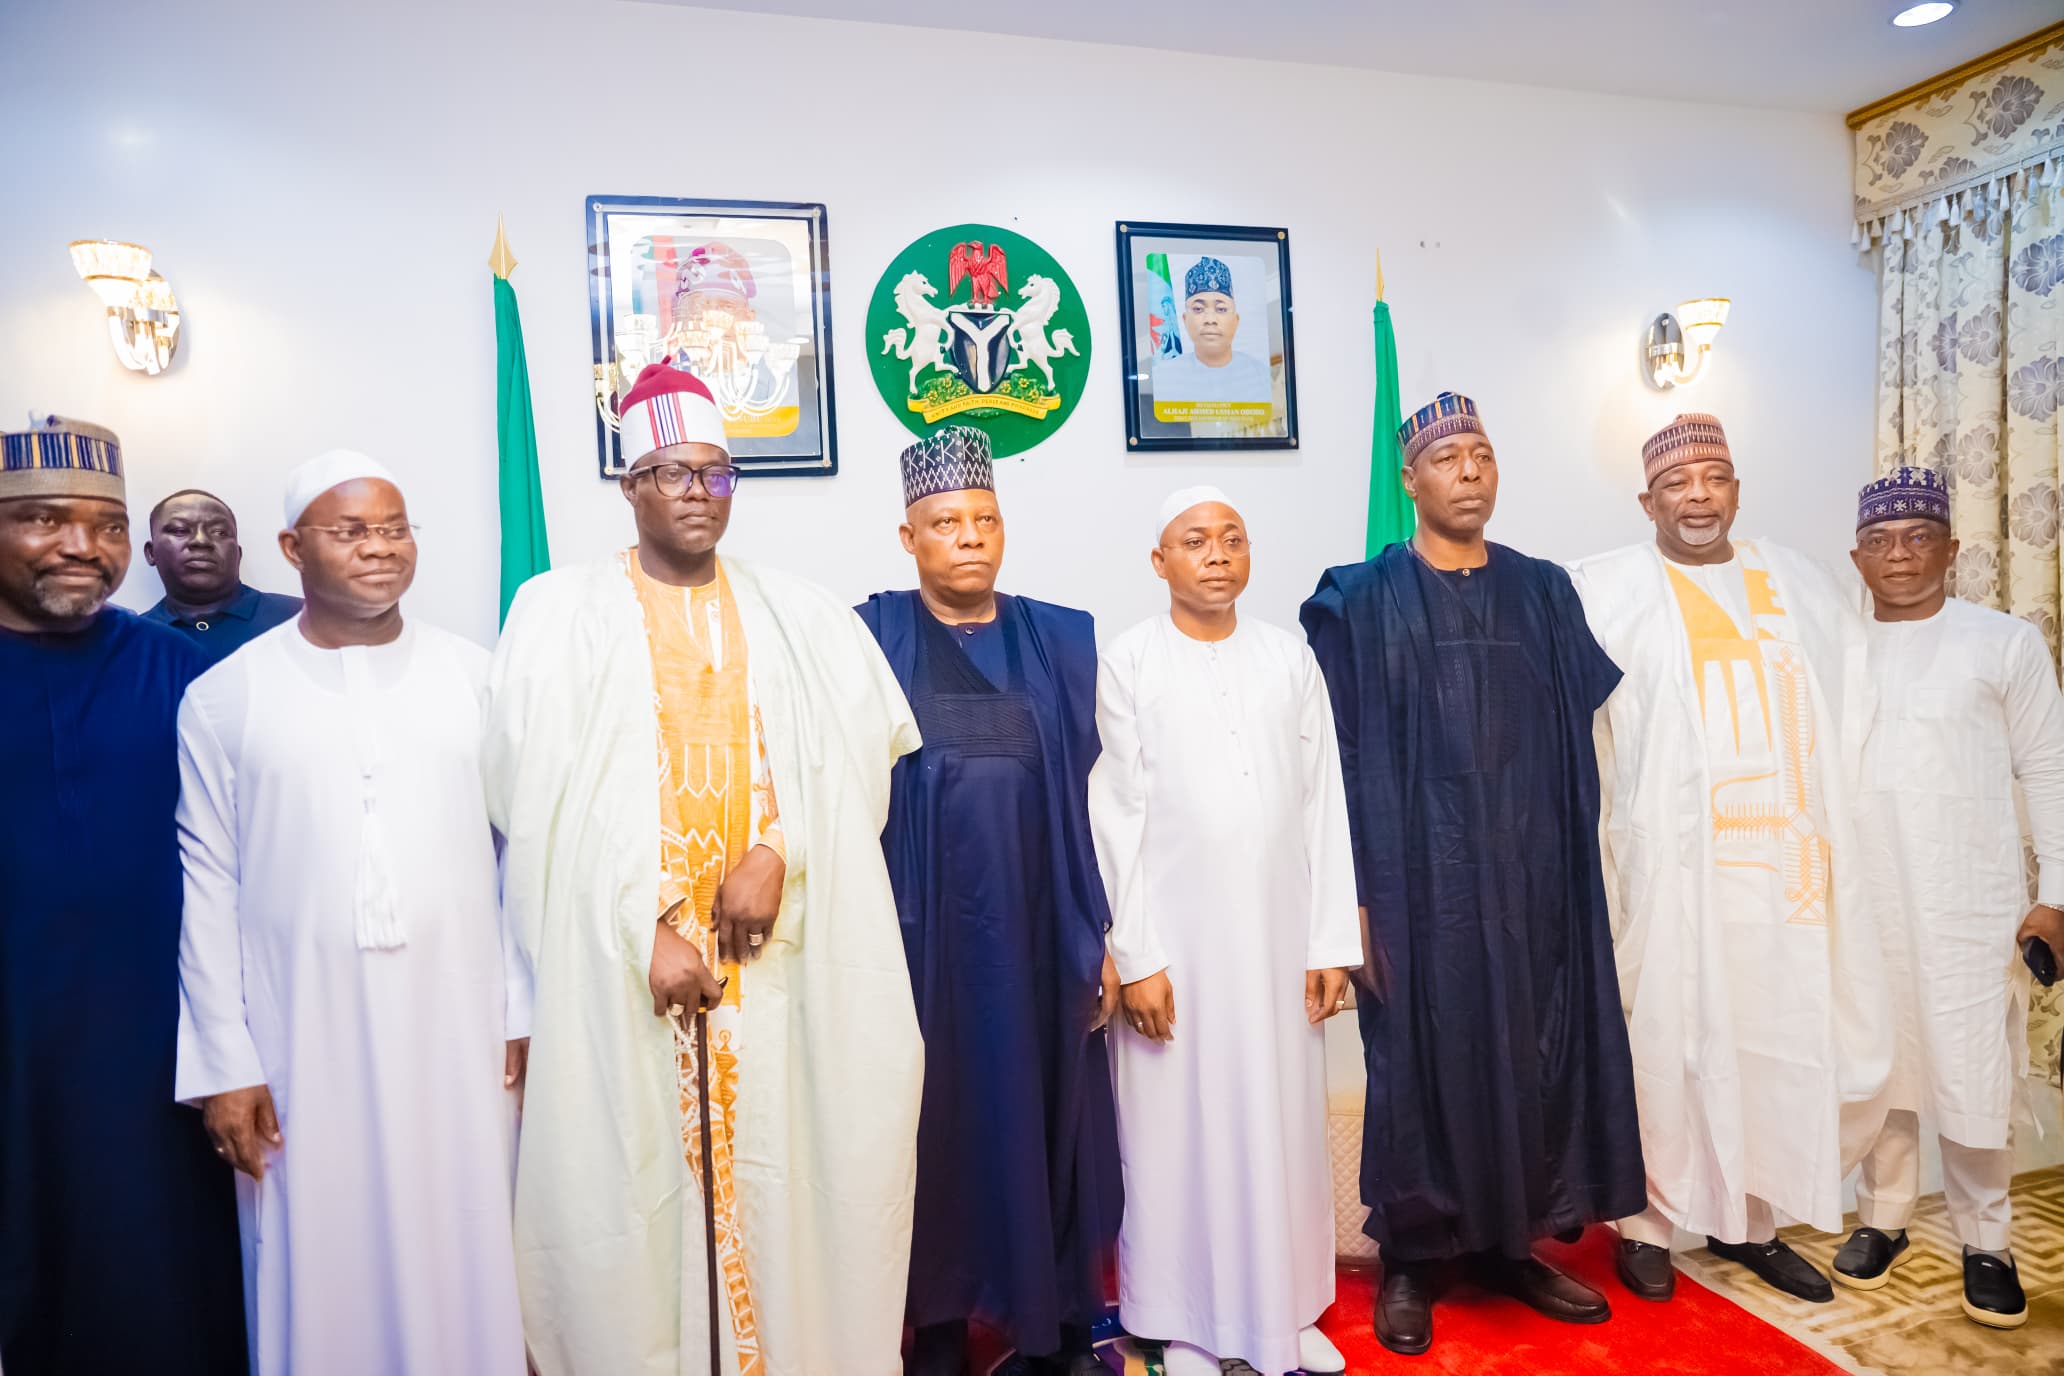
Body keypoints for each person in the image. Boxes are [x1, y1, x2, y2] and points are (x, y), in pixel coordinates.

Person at [484, 363, 925, 1376]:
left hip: (780, 971)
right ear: (629, 484)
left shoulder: (804, 613)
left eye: (717, 473)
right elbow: (529, 803)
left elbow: (860, 762)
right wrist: (635, 927)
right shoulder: (555, 614)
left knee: (799, 1179)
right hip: (627, 975)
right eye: (673, 472)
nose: (698, 492)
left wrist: (781, 847)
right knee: (634, 1201)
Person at [1301, 393, 1646, 1356]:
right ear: (1409, 480)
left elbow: (1583, 741)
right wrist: (1347, 903)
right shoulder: (1358, 601)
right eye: (1448, 459)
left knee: (1531, 1052)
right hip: (1411, 884)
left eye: (1482, 455)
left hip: (1534, 879)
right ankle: (1413, 1258)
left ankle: (1510, 1245)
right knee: (1417, 1061)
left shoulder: (1544, 592)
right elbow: (1330, 761)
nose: (1469, 473)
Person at [174, 451, 528, 1373]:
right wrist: (223, 1062)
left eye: (396, 529)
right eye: (352, 531)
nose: (380, 548)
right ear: (293, 548)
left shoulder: (477, 677)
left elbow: (523, 854)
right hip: (297, 1032)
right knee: (316, 1244)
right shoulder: (224, 698)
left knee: (469, 1230)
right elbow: (208, 882)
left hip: (460, 1020)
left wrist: (521, 1006)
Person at [1569, 413, 1889, 1305]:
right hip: (1673, 866)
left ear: (1738, 491)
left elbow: (1854, 701)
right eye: (1677, 484)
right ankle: (1646, 1226)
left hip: (1783, 870)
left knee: (1773, 1041)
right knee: (1667, 1041)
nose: (1698, 497)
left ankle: (1752, 1225)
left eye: (1714, 478)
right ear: (1648, 502)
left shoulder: (1801, 583)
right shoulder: (1603, 590)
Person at [857, 426, 1120, 1376]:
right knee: (931, 1126)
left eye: (985, 520)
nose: (969, 537)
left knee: (1049, 1118)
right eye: (946, 523)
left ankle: (1049, 1326)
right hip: (922, 937)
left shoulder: (1059, 639)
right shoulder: (871, 637)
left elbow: (1101, 797)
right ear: (909, 537)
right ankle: (936, 1327)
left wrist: (1104, 937)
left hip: (1042, 927)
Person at [1089, 486, 1358, 1376]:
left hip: (1279, 944)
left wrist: (1329, 942)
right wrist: (1138, 957)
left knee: (1282, 1126)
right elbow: (1116, 816)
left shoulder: (1289, 659)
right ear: (1159, 561)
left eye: (1231, 538)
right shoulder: (1130, 662)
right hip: (1180, 953)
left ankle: (1288, 1310)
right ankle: (1185, 1323)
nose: (1216, 554)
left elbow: (1324, 807)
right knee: (1178, 1135)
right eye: (1195, 540)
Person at [0, 416, 247, 1375]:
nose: (82, 546)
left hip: (152, 1048)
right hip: (16, 1039)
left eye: (106, 526)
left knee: (164, 1286)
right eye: (45, 520)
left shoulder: (182, 675)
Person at [1833, 466, 2061, 1330]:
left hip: (1970, 901)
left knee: (1970, 1071)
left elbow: (2050, 770)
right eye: (1881, 540)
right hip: (1866, 899)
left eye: (1918, 536)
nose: (1900, 554)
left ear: (1952, 549)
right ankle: (1883, 1218)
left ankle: (1988, 1241)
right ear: (1857, 557)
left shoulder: (2004, 643)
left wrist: (2057, 898)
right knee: (1882, 1063)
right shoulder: (1836, 650)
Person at [141, 488, 301, 661]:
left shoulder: (300, 618)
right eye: (180, 530)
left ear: (238, 554)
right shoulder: (134, 640)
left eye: (219, 532)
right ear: (151, 553)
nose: (201, 541)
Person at [1149, 257, 1273, 406]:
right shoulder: (1167, 377)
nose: (1210, 319)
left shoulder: (1259, 375)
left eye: (1221, 309)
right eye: (1198, 309)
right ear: (1185, 320)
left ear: (1236, 320)